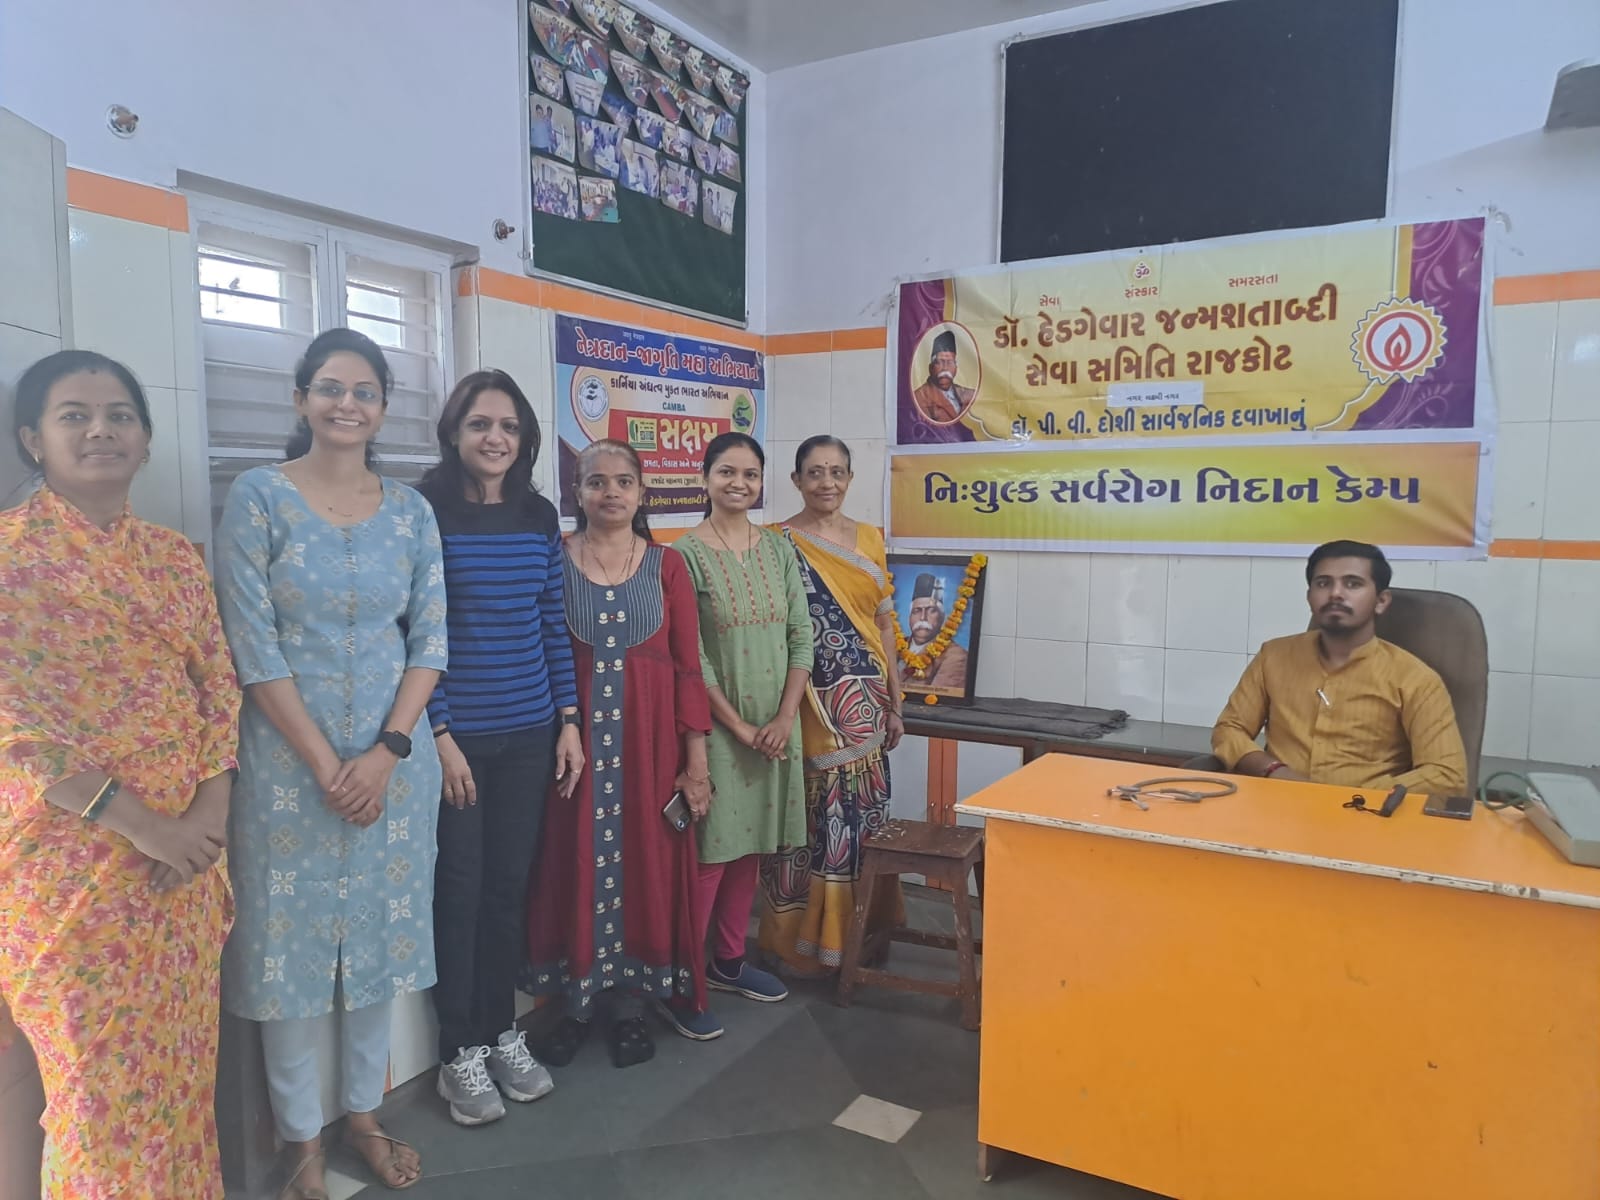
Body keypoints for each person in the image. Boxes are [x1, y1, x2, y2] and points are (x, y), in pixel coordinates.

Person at [0, 350, 241, 1197]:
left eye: (120, 416)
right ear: (33, 439)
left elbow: (218, 688)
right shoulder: (8, 559)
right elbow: (15, 728)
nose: (101, 430)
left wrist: (205, 818)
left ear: (144, 439)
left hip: (185, 875)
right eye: (75, 415)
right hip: (73, 878)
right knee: (96, 1108)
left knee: (179, 1087)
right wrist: (148, 828)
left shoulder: (173, 559)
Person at [216, 329, 449, 1197]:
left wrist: (387, 752)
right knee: (288, 957)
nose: (347, 404)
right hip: (286, 772)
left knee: (379, 950)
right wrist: (324, 764)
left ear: (383, 408)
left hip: (395, 768)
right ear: (301, 399)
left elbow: (431, 639)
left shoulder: (411, 511)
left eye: (364, 391)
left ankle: (364, 1117)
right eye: (330, 388)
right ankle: (301, 1141)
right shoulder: (258, 497)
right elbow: (251, 643)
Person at [417, 371, 582, 1126]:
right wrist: (440, 734)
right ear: (454, 432)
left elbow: (551, 621)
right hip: (456, 741)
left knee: (507, 888)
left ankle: (500, 1032)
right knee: (458, 892)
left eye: (509, 426)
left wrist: (569, 720)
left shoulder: (538, 514)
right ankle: (458, 1050)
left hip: (529, 736)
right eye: (481, 424)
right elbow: (419, 630)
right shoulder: (424, 511)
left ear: (525, 439)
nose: (495, 438)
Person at [526, 439, 720, 1066]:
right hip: (572, 752)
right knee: (572, 864)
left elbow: (688, 669)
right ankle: (576, 1005)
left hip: (650, 753)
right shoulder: (554, 560)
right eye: (596, 482)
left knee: (645, 867)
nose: (610, 492)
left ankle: (631, 1007)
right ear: (576, 492)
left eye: (623, 482)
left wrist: (695, 763)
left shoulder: (667, 566)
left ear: (642, 493)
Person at [673, 434, 811, 1016]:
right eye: (727, 471)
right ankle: (682, 977)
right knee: (712, 853)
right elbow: (692, 657)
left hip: (777, 729)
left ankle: (728, 962)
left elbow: (801, 636)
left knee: (751, 848)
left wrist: (784, 716)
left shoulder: (778, 549)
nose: (739, 483)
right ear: (704, 478)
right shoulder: (682, 555)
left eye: (750, 474)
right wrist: (738, 727)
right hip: (717, 732)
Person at [758, 436, 905, 978]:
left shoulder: (869, 539)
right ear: (796, 480)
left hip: (867, 707)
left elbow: (884, 624)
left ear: (850, 478)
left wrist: (896, 700)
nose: (827, 482)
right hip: (805, 706)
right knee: (808, 824)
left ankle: (864, 936)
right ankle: (798, 946)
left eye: (837, 472)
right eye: (815, 472)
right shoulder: (775, 541)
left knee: (863, 821)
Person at [1211, 540, 1468, 793]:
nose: (1335, 593)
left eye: (1353, 584)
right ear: (1310, 597)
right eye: (1323, 583)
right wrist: (1274, 770)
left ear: (1381, 601)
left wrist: (1353, 795)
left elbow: (1447, 774)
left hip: (1366, 812)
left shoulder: (1416, 679)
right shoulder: (1273, 656)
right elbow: (1229, 730)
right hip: (1276, 801)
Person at [902, 573, 969, 692]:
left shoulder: (957, 656)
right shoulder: (895, 646)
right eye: (917, 611)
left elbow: (940, 696)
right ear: (909, 617)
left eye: (931, 610)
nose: (923, 617)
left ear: (942, 617)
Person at [912, 330, 976, 424]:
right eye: (940, 362)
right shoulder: (919, 397)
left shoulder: (969, 394)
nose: (945, 368)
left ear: (956, 368)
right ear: (931, 368)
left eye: (950, 362)